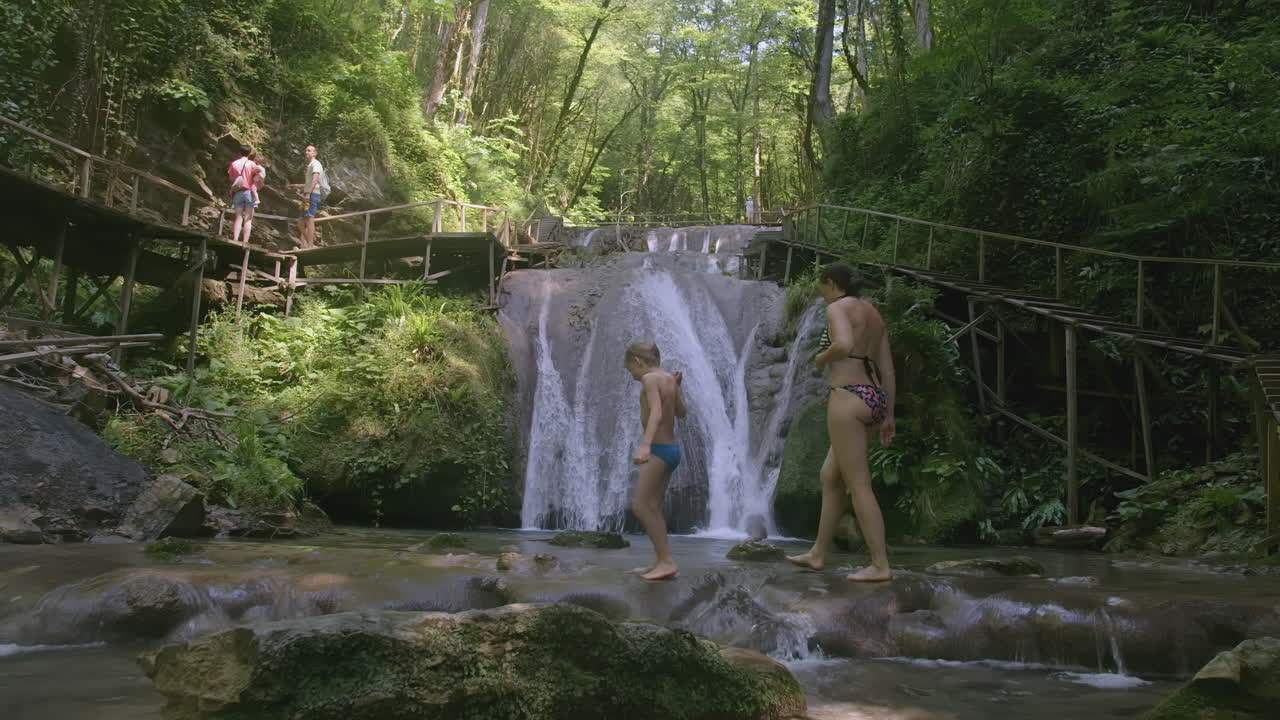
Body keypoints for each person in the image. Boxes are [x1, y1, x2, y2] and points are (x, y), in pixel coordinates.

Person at [786, 262, 897, 582]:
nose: (820, 294)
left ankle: (880, 564)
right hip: (873, 397)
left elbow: (844, 345)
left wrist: (821, 359)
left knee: (858, 485)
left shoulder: (837, 308)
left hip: (847, 397)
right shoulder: (873, 314)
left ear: (831, 284)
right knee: (829, 477)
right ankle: (818, 553)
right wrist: (888, 414)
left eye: (821, 287)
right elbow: (888, 369)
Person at [625, 341, 687, 581]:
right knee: (652, 507)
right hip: (672, 450)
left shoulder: (650, 379)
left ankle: (667, 561)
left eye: (632, 371)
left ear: (638, 362)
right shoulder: (669, 379)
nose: (633, 376)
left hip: (659, 450)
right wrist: (677, 388)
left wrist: (645, 445)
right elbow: (682, 413)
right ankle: (662, 560)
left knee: (641, 506)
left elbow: (657, 413)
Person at [287, 144, 329, 249]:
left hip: (312, 194)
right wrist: (297, 186)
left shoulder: (316, 164)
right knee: (301, 222)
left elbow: (315, 180)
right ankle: (311, 243)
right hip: (308, 194)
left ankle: (310, 245)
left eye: (309, 151)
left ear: (315, 153)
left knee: (309, 219)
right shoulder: (310, 165)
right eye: (306, 150)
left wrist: (308, 193)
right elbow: (309, 182)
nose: (307, 152)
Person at [227, 146, 259, 245]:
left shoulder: (234, 164)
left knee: (238, 217)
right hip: (249, 192)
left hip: (238, 192)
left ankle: (236, 239)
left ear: (239, 153)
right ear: (249, 154)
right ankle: (245, 241)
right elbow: (257, 178)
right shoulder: (252, 164)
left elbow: (231, 179)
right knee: (248, 218)